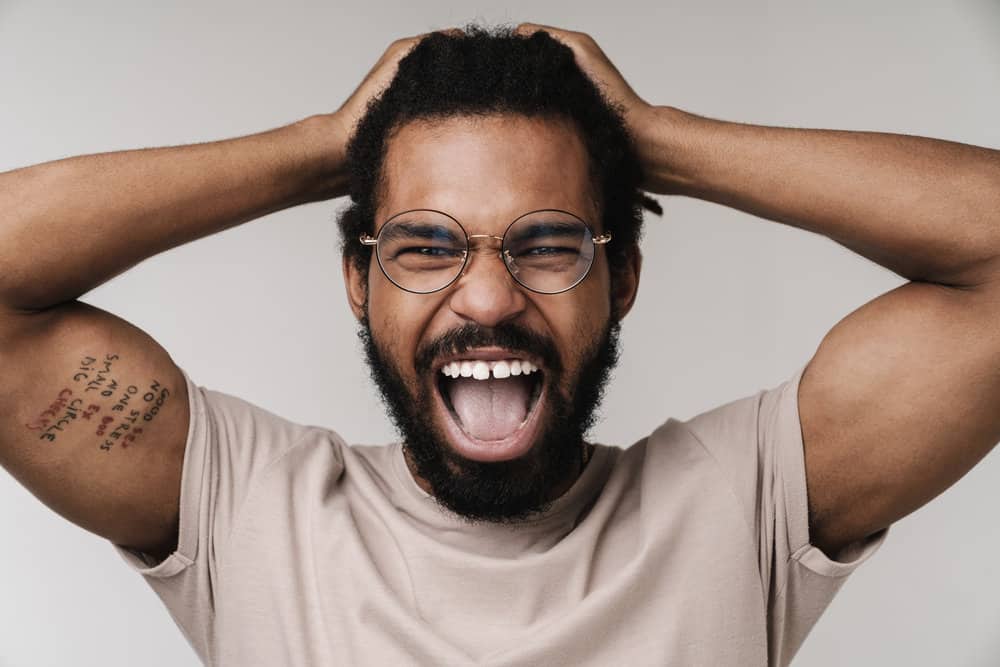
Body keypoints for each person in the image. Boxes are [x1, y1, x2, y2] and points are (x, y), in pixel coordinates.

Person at [1, 22, 998, 666]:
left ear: (624, 278)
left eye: (549, 241)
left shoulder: (739, 502)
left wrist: (652, 138)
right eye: (424, 246)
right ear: (358, 280)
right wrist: (325, 142)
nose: (486, 293)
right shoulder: (246, 509)